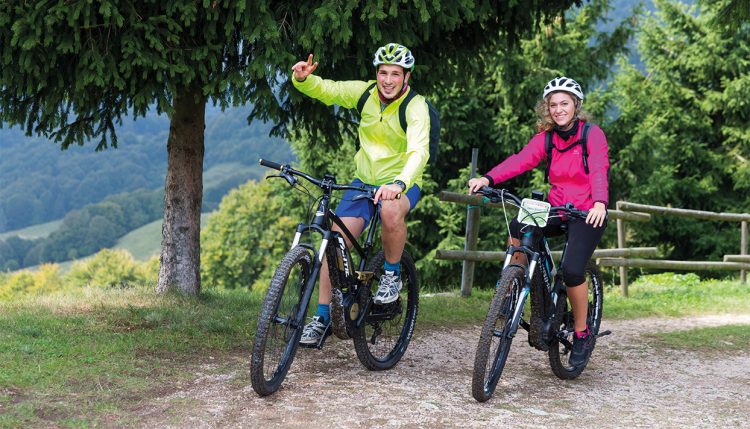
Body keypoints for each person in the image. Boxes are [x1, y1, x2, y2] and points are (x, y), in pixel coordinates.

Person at [290, 43, 431, 346]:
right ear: (376, 73)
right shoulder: (365, 93)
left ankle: (391, 275)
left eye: (395, 74)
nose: (388, 80)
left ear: (407, 76)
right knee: (335, 239)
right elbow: (331, 90)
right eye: (383, 73)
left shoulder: (415, 106)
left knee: (390, 211)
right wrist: (304, 80)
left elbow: (419, 151)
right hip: (363, 181)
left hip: (402, 182)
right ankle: (323, 317)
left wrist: (400, 183)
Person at [467, 76, 609, 367]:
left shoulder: (592, 134)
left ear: (576, 106)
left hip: (587, 212)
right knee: (520, 226)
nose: (558, 110)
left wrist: (599, 203)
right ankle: (511, 285)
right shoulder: (547, 138)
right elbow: (520, 160)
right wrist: (488, 178)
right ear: (548, 109)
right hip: (556, 207)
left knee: (571, 271)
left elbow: (599, 167)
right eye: (553, 105)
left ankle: (582, 333)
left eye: (564, 104)